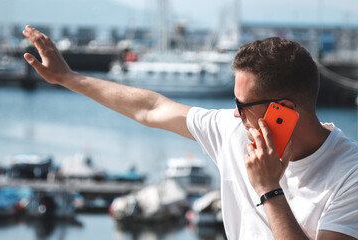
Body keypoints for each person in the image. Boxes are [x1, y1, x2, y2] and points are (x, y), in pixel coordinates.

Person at [22, 25, 358, 240]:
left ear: (283, 109)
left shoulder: (350, 175)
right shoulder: (235, 131)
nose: (235, 114)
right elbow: (151, 108)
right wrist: (68, 78)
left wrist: (269, 188)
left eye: (243, 105)